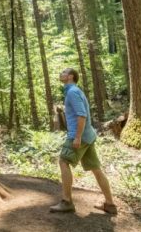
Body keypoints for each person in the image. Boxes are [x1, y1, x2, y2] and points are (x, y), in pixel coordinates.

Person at [49, 68, 117, 214]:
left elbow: (82, 115)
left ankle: (67, 202)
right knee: (96, 169)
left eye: (63, 72)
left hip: (79, 136)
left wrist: (78, 137)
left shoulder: (73, 92)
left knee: (63, 161)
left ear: (71, 76)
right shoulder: (73, 91)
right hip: (88, 135)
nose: (60, 74)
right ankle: (110, 204)